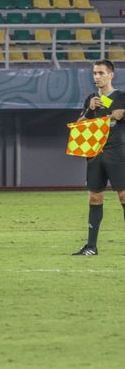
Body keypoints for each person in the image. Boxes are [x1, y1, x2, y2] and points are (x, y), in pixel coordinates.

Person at [73, 60, 125, 255]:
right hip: (95, 153)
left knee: (123, 196)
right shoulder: (91, 99)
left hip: (117, 152)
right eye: (95, 73)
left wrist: (115, 111)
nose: (97, 77)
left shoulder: (121, 97)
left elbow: (119, 114)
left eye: (101, 73)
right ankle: (91, 246)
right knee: (95, 197)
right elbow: (79, 126)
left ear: (111, 75)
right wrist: (90, 110)